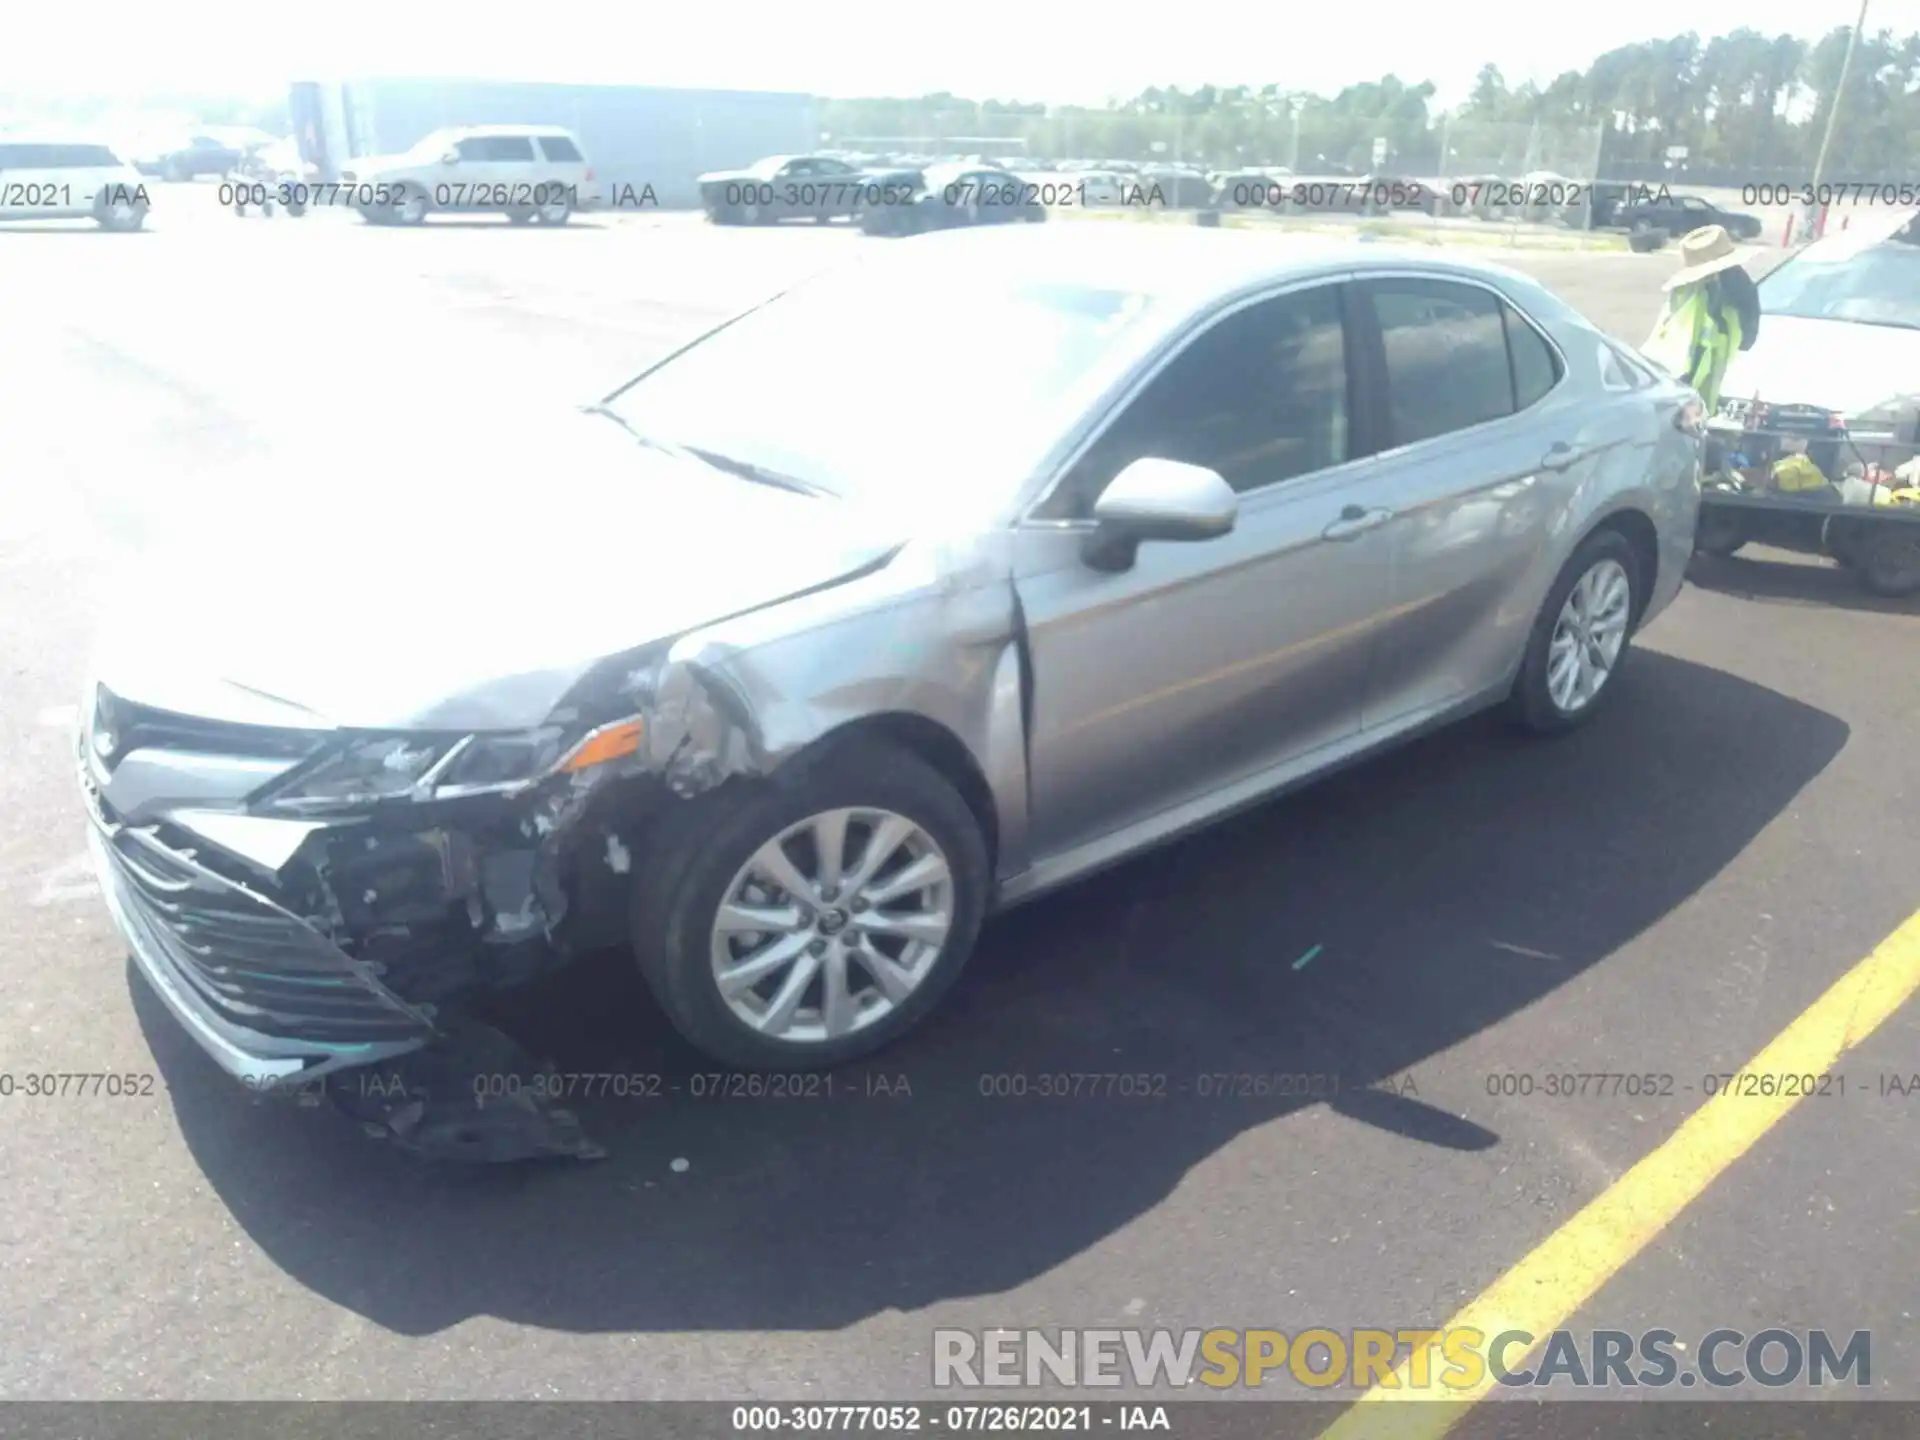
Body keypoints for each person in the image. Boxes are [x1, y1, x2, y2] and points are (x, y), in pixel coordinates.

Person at [1641, 224, 1759, 413]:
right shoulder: (1690, 292)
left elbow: (1746, 332)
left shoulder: (1735, 286)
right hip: (1685, 375)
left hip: (1698, 376)